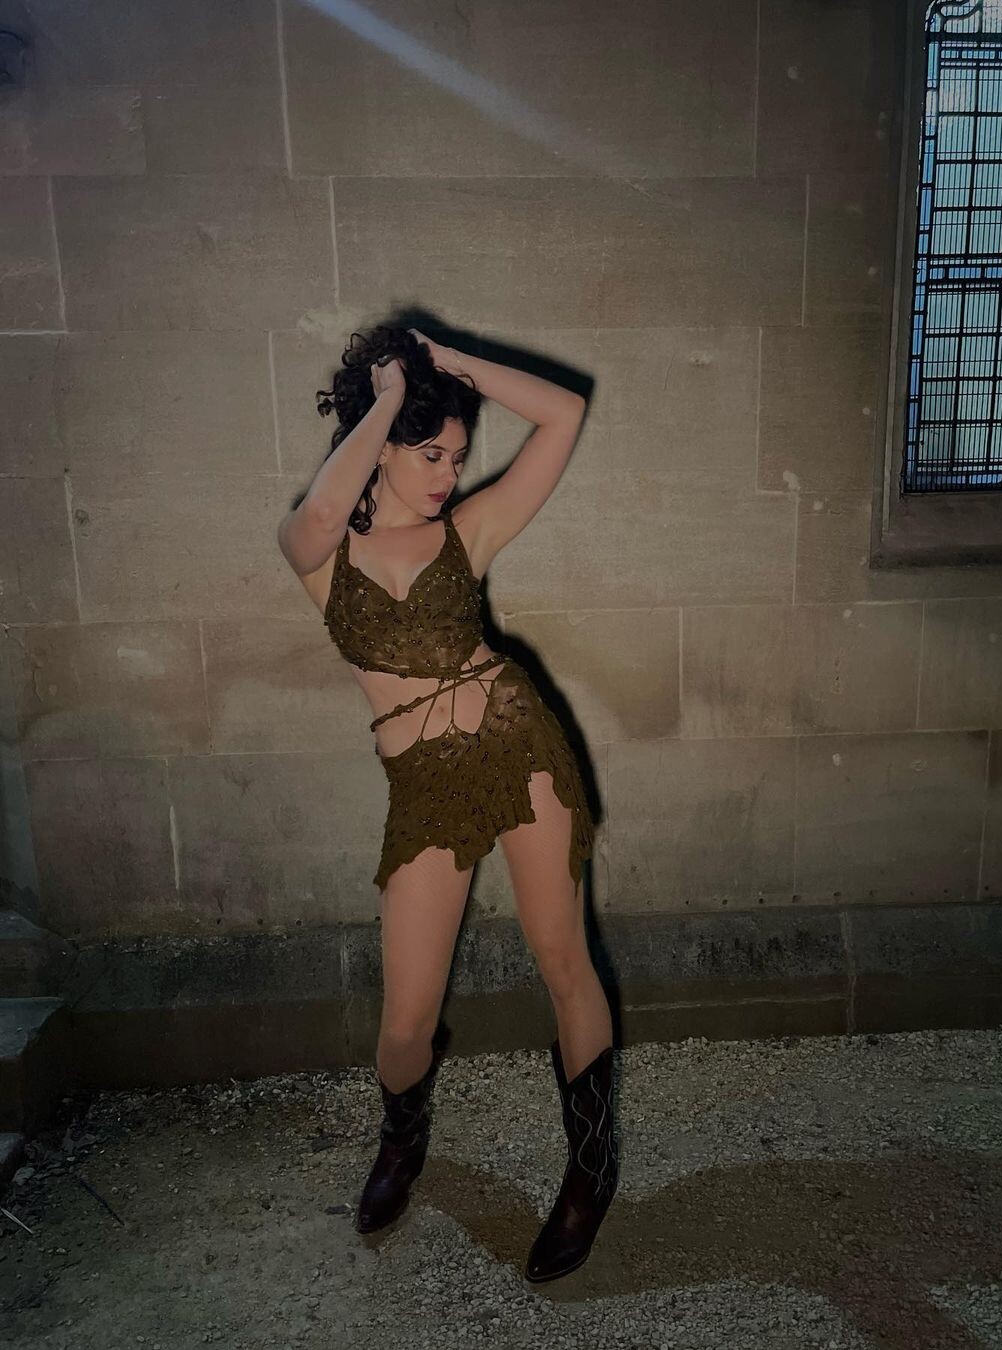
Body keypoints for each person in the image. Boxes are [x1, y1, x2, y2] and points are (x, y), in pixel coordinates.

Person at [277, 324, 618, 1283]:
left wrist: (453, 366)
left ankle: (592, 1171)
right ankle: (403, 1135)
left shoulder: (468, 530)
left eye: (458, 456)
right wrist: (390, 396)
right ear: (381, 446)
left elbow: (565, 412)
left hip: (518, 745)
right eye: (430, 454)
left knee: (563, 960)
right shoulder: (317, 550)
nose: (448, 474)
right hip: (425, 789)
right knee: (405, 1024)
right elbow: (321, 509)